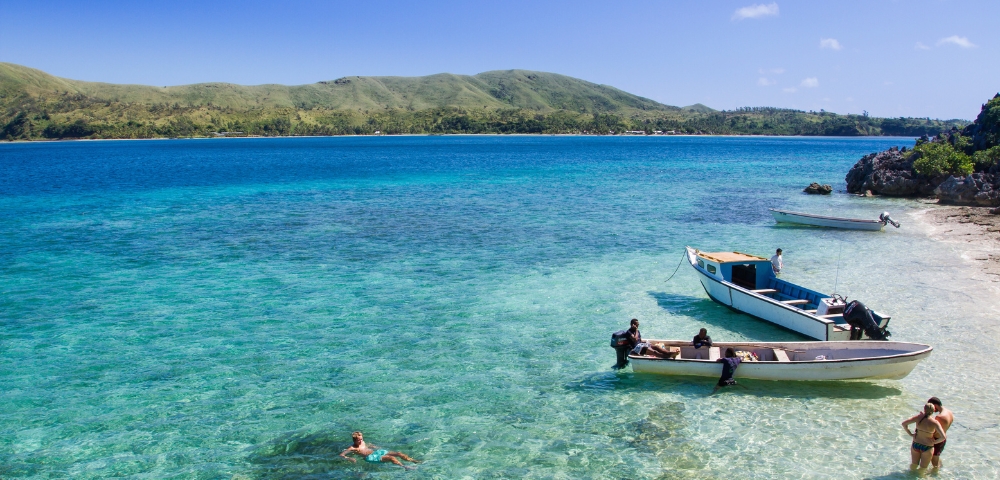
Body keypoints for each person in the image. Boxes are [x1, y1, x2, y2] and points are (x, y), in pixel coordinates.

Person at [340, 431, 420, 470]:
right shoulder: (352, 448)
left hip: (376, 452)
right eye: (358, 440)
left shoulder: (363, 442)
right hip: (370, 457)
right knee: (391, 458)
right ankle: (405, 467)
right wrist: (350, 458)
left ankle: (413, 461)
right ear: (354, 440)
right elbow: (342, 455)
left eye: (361, 439)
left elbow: (368, 445)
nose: (361, 441)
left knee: (398, 453)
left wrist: (374, 446)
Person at [902, 403, 946, 470]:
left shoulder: (918, 417)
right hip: (927, 447)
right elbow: (943, 437)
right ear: (934, 410)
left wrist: (910, 434)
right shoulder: (935, 422)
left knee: (913, 466)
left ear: (924, 409)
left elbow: (904, 424)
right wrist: (935, 442)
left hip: (916, 444)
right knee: (923, 469)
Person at [927, 397, 953, 468]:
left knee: (934, 461)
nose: (932, 409)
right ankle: (940, 467)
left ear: (935, 405)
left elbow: (933, 430)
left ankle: (935, 474)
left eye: (932, 407)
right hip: (943, 439)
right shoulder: (949, 412)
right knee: (937, 457)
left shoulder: (940, 417)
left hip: (937, 440)